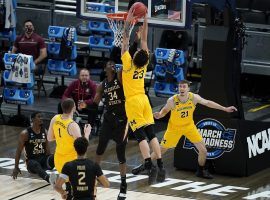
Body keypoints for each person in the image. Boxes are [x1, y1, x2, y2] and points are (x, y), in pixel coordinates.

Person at [132, 79, 238, 179]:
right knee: (161, 150)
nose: (181, 88)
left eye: (184, 86)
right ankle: (144, 166)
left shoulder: (193, 98)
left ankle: (200, 170)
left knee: (203, 150)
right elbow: (164, 111)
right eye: (180, 87)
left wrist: (225, 109)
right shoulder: (172, 100)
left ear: (188, 88)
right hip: (174, 128)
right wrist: (159, 115)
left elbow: (208, 103)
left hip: (189, 127)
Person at [121, 9, 165, 184]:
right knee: (152, 134)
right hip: (144, 99)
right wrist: (146, 19)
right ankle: (160, 165)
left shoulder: (128, 65)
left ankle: (148, 164)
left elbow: (124, 39)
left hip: (133, 102)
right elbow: (145, 39)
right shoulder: (144, 63)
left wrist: (129, 21)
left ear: (133, 57)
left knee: (140, 136)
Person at [94, 60, 128, 199]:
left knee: (121, 153)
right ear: (105, 68)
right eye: (109, 64)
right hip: (108, 120)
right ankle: (94, 174)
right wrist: (85, 104)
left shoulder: (119, 76)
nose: (112, 65)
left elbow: (124, 67)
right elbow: (95, 103)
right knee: (100, 147)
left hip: (122, 120)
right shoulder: (102, 85)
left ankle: (123, 184)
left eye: (113, 64)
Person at [48, 98, 92, 199]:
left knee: (69, 188)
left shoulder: (55, 118)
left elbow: (49, 138)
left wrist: (62, 136)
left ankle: (62, 191)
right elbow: (83, 147)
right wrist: (87, 134)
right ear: (74, 108)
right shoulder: (73, 125)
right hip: (70, 162)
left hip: (58, 160)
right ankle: (62, 191)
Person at [12, 112, 54, 183]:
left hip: (43, 161)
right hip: (31, 163)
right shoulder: (25, 133)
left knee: (56, 157)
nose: (41, 118)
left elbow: (47, 149)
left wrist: (51, 159)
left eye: (41, 116)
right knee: (35, 164)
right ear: (33, 119)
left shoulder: (45, 132)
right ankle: (50, 180)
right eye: (39, 117)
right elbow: (18, 152)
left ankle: (67, 178)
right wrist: (16, 167)